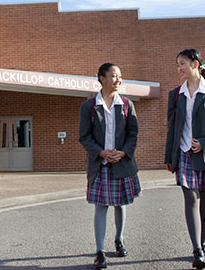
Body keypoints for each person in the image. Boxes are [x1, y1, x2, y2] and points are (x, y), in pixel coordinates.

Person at [165, 49, 205, 269]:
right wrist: (169, 156)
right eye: (177, 64)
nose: (179, 68)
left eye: (182, 63)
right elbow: (172, 128)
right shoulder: (175, 94)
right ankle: (197, 249)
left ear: (196, 64)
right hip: (183, 153)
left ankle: (204, 243)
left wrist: (204, 141)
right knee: (190, 198)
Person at [79, 63, 141, 269]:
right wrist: (101, 152)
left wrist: (123, 152)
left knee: (120, 204)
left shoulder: (126, 104)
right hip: (100, 163)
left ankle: (119, 239)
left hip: (122, 162)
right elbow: (84, 137)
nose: (118, 79)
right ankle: (100, 251)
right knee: (101, 206)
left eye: (120, 76)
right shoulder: (88, 106)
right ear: (101, 78)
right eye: (113, 76)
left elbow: (133, 133)